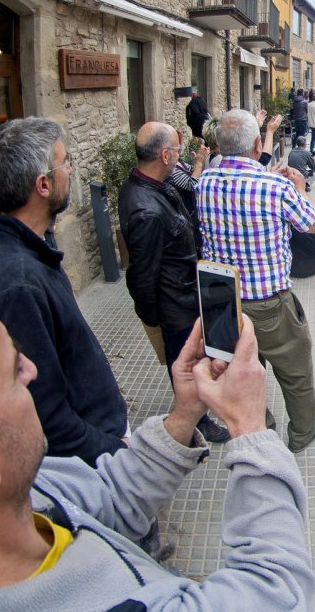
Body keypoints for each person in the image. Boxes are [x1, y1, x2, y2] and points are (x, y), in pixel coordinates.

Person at [0, 276, 315, 610]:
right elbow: (277, 588)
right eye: (10, 371)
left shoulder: (19, 496)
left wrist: (184, 412)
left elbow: (109, 496)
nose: (31, 370)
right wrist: (250, 427)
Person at [0, 117, 128, 466]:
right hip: (94, 464)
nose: (70, 169)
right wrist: (117, 454)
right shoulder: (19, 284)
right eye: (64, 162)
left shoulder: (29, 243)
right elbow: (47, 421)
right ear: (43, 185)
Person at [197, 109, 315, 452]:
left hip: (222, 303)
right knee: (294, 369)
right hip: (268, 303)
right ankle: (302, 431)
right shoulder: (276, 187)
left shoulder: (205, 182)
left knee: (241, 369)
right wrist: (298, 187)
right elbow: (314, 227)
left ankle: (260, 425)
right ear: (258, 143)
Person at [119, 122, 231, 443]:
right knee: (186, 360)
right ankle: (196, 420)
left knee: (197, 354)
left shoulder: (149, 183)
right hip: (175, 304)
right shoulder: (146, 210)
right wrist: (155, 319)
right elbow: (141, 275)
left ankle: (202, 407)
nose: (181, 156)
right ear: (165, 155)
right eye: (178, 151)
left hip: (185, 291)